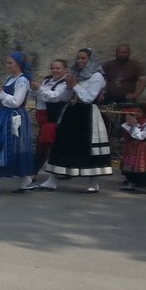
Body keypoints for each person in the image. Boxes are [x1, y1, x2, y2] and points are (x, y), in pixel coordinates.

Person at [38, 48, 111, 192]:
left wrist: (75, 85)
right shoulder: (74, 74)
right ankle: (52, 180)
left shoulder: (97, 76)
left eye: (83, 58)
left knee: (89, 147)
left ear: (91, 60)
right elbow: (65, 96)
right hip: (72, 112)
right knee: (62, 144)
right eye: (78, 58)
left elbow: (89, 98)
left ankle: (93, 182)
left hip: (88, 114)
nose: (80, 61)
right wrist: (67, 88)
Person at [0, 52, 36, 195]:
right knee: (9, 147)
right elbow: (2, 98)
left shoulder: (22, 81)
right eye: (7, 63)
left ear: (18, 64)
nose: (7, 65)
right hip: (3, 115)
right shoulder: (10, 78)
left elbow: (16, 101)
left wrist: (0, 92)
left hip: (13, 117)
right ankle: (25, 179)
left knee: (6, 147)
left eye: (10, 63)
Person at [31, 59, 71, 181]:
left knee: (44, 145)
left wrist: (40, 88)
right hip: (43, 119)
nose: (55, 70)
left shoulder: (66, 84)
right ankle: (64, 171)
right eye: (53, 68)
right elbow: (37, 96)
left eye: (58, 68)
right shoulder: (47, 80)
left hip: (55, 120)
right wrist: (34, 88)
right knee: (52, 146)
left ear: (65, 70)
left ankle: (33, 171)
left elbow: (55, 97)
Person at [118, 105, 146, 191]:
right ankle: (131, 184)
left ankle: (141, 181)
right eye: (136, 111)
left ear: (144, 113)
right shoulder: (135, 121)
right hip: (133, 146)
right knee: (131, 165)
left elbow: (141, 136)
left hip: (142, 147)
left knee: (139, 166)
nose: (136, 113)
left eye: (139, 111)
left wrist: (133, 126)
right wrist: (129, 124)